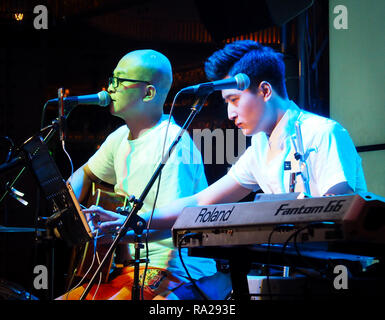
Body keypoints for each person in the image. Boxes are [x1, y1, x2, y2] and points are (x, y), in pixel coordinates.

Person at [87, 40, 367, 299]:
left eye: (234, 100)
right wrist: (131, 221)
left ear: (265, 91)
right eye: (226, 104)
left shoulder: (323, 132)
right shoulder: (259, 147)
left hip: (338, 276)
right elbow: (200, 202)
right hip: (294, 269)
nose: (230, 114)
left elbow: (338, 206)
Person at [58, 49, 217, 300]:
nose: (110, 88)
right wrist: (72, 211)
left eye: (118, 81)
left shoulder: (173, 143)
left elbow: (175, 221)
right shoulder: (119, 137)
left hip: (172, 271)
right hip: (128, 269)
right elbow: (85, 173)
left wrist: (115, 231)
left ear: (149, 92)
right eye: (111, 80)